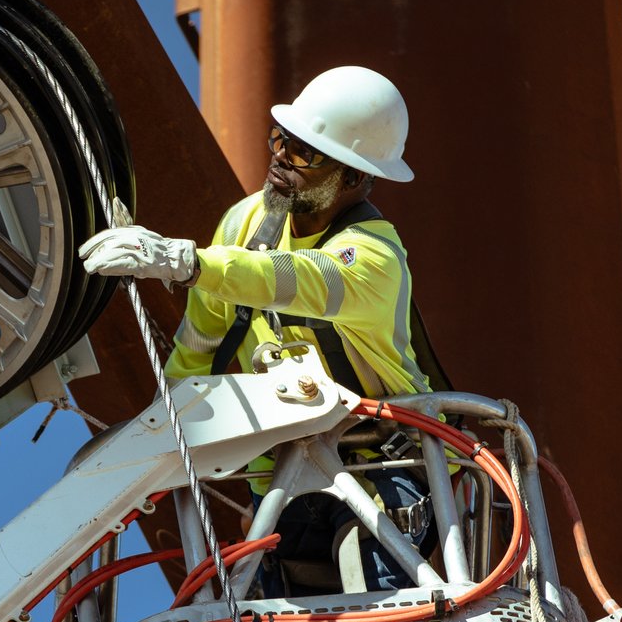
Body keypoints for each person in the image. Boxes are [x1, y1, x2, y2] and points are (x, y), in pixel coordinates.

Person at [79, 65, 440, 593]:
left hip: (381, 468)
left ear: (355, 178)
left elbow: (292, 279)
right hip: (283, 480)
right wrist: (167, 432)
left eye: (304, 154)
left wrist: (184, 260)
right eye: (281, 141)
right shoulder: (245, 225)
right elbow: (198, 346)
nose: (280, 159)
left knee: (371, 602)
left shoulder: (375, 257)